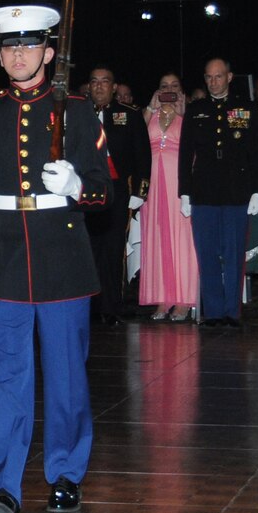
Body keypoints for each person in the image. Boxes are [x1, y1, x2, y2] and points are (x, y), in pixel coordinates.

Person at [0, 4, 109, 513]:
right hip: (1, 261)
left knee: (66, 377)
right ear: (0, 57)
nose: (18, 55)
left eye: (28, 46)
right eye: (9, 47)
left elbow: (102, 189)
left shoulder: (78, 110)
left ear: (48, 52)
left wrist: (77, 187)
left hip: (62, 260)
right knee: (7, 381)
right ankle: (5, 485)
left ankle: (65, 475)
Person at [179, 57, 258, 327]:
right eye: (208, 77)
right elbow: (185, 154)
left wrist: (257, 190)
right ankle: (214, 311)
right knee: (207, 253)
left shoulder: (246, 108)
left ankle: (232, 311)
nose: (213, 82)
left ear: (229, 77)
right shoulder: (196, 110)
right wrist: (184, 192)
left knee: (233, 253)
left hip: (235, 190)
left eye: (218, 76)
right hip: (204, 189)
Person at [83, 66, 149, 328]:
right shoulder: (77, 113)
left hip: (117, 192)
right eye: (94, 82)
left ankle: (111, 307)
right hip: (85, 191)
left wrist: (139, 194)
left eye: (105, 82)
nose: (99, 87)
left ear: (114, 87)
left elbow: (143, 156)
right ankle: (88, 307)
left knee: (112, 251)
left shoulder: (129, 115)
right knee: (88, 250)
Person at [139, 74, 198, 321]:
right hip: (153, 186)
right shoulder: (149, 114)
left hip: (178, 185)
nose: (169, 90)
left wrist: (185, 115)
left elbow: (197, 150)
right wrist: (150, 108)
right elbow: (136, 141)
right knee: (157, 238)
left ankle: (184, 299)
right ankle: (163, 299)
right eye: (164, 86)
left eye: (174, 86)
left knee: (182, 239)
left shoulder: (190, 116)